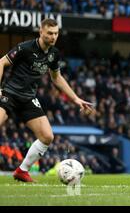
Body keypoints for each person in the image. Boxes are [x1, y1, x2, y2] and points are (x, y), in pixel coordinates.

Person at [0, 18, 94, 182]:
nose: (53, 37)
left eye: (56, 33)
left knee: (47, 136)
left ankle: (22, 171)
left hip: (28, 98)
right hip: (10, 94)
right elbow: (1, 63)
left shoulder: (53, 54)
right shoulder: (25, 48)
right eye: (50, 33)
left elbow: (56, 78)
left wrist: (76, 99)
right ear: (41, 31)